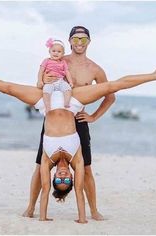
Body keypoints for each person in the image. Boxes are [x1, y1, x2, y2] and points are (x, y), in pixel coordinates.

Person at [0, 67, 156, 223]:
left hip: (44, 104)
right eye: (67, 180)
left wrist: (42, 217)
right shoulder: (76, 159)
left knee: (5, 87)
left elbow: (46, 191)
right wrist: (82, 219)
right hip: (72, 102)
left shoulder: (48, 159)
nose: (65, 176)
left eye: (60, 179)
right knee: (112, 86)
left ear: (55, 176)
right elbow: (79, 190)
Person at [24, 26, 116, 221]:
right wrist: (43, 81)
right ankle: (31, 208)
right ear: (69, 41)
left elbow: (110, 97)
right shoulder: (57, 59)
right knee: (41, 165)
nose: (79, 43)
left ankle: (94, 211)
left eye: (83, 39)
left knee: (87, 167)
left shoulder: (95, 69)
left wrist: (93, 117)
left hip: (78, 121)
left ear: (89, 42)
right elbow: (40, 87)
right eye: (76, 39)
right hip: (54, 122)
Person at [37, 38, 74, 113]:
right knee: (46, 92)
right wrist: (40, 80)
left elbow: (67, 72)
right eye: (53, 51)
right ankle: (47, 107)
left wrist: (70, 82)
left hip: (60, 81)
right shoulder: (46, 60)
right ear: (49, 52)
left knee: (68, 89)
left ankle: (66, 103)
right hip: (49, 82)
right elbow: (41, 71)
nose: (56, 53)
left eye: (59, 51)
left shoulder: (63, 62)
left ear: (63, 54)